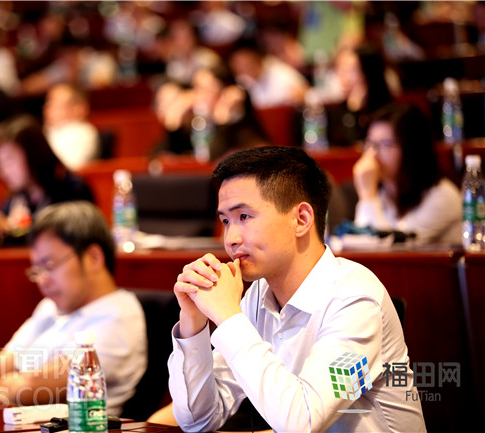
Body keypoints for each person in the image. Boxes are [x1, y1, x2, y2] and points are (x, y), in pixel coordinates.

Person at [168, 146, 426, 432]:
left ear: (301, 219)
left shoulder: (355, 299)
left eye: (244, 217)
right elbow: (198, 420)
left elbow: (302, 423)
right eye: (226, 221)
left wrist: (228, 318)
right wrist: (192, 323)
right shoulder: (258, 295)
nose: (230, 238)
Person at [0, 201, 147, 414]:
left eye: (50, 266)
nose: (42, 280)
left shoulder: (119, 315)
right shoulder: (49, 306)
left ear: (93, 258)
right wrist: (11, 383)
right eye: (37, 270)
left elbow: (29, 390)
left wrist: (11, 381)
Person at [0, 114, 94, 245]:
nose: (4, 172)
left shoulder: (73, 190)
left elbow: (59, 239)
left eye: (9, 160)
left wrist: (8, 230)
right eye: (0, 163)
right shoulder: (19, 197)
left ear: (33, 153)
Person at [353, 103, 462, 244]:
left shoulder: (442, 196)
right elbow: (360, 242)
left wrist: (368, 196)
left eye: (385, 144)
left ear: (411, 148)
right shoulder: (383, 193)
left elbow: (390, 250)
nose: (372, 155)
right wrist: (368, 196)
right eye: (370, 144)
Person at [153, 64, 268, 161]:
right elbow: (162, 153)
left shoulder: (238, 120)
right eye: (196, 88)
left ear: (225, 92)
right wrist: (176, 120)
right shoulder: (201, 119)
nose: (197, 96)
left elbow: (212, 158)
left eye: (205, 89)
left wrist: (223, 119)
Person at [43, 83, 100, 171]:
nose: (47, 108)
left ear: (79, 108)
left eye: (55, 104)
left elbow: (73, 167)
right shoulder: (46, 131)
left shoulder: (85, 133)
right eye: (48, 103)